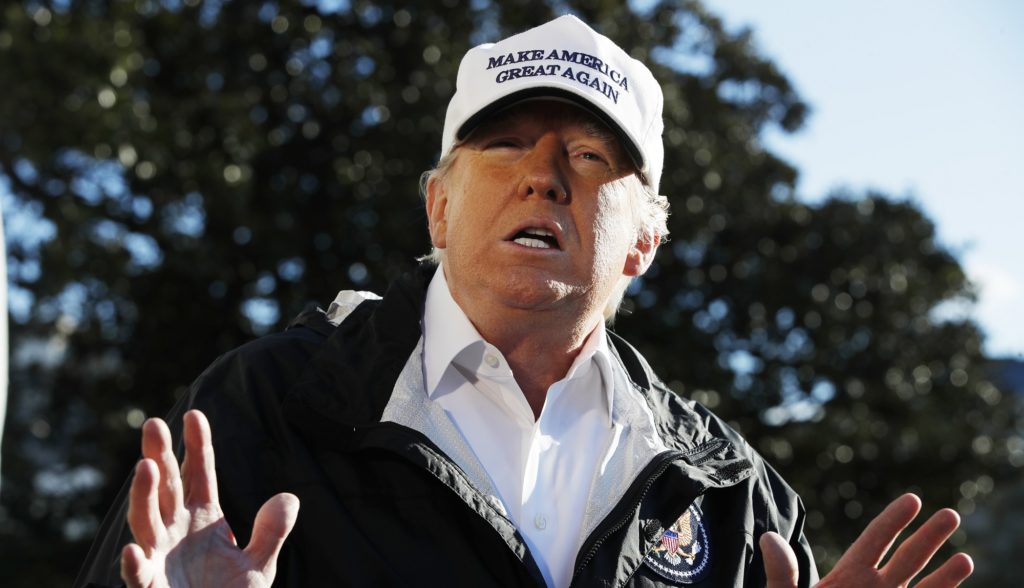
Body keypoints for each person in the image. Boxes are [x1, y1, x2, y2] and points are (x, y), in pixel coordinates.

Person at [76, 15, 973, 588]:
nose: (542, 176)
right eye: (502, 145)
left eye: (588, 156)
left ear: (645, 242)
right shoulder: (263, 407)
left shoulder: (734, 496)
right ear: (438, 205)